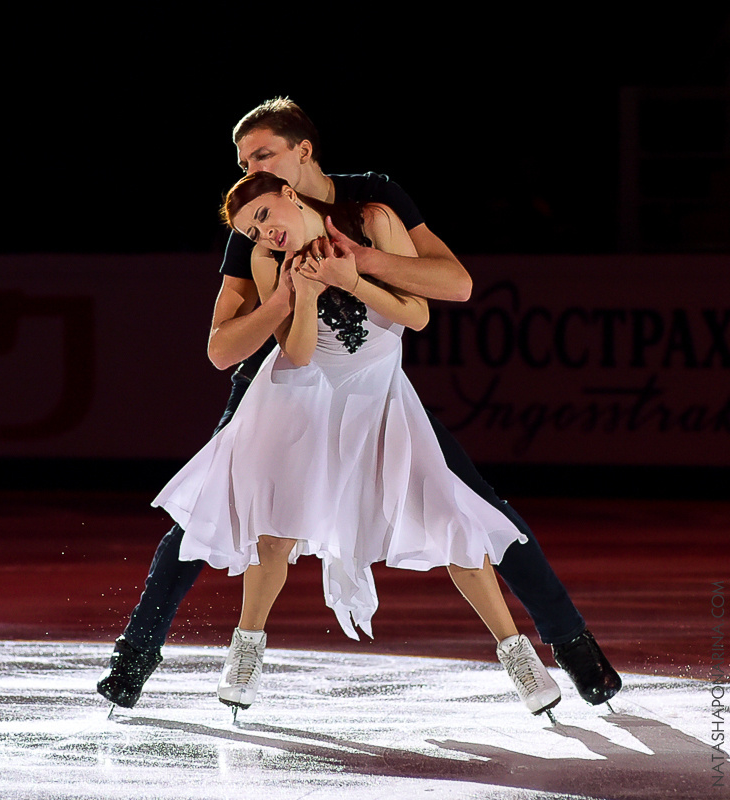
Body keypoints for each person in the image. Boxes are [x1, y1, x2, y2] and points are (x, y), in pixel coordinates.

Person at [96, 97, 620, 710]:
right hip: (288, 382)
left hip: (374, 384)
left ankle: (570, 647)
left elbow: (453, 285)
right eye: (243, 162)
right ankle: (136, 656)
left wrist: (357, 267)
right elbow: (231, 343)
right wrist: (293, 296)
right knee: (216, 512)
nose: (251, 172)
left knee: (470, 508)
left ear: (303, 151)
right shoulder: (257, 227)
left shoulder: (372, 200)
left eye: (263, 155)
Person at [152, 170, 562, 718]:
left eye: (265, 215)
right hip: (301, 397)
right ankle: (245, 650)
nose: (263, 233)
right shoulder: (269, 264)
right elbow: (296, 355)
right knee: (275, 533)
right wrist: (303, 294)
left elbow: (416, 316)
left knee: (452, 522)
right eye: (252, 230)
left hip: (380, 396)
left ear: (290, 195)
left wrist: (351, 280)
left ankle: (519, 658)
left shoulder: (373, 221)